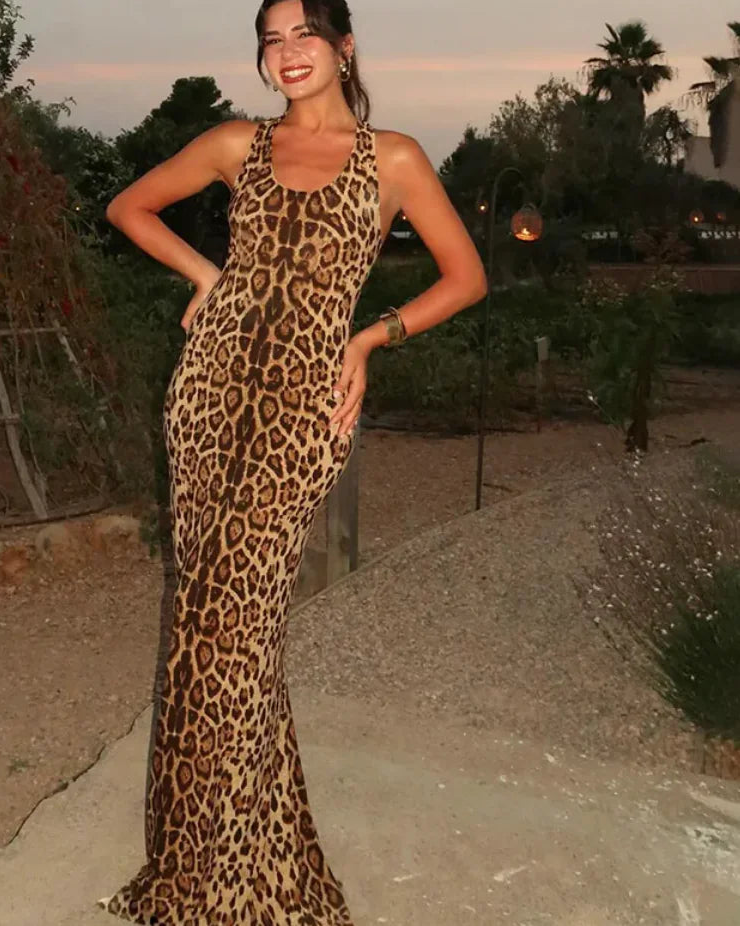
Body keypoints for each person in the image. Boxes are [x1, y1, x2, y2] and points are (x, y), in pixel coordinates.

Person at [97, 0, 487, 921]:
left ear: (344, 46)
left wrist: (371, 338)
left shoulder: (393, 159)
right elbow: (127, 207)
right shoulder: (239, 143)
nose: (287, 52)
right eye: (271, 40)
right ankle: (221, 859)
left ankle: (231, 866)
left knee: (240, 624)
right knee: (204, 621)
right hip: (208, 398)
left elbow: (467, 277)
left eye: (304, 33)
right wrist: (208, 276)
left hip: (304, 410)